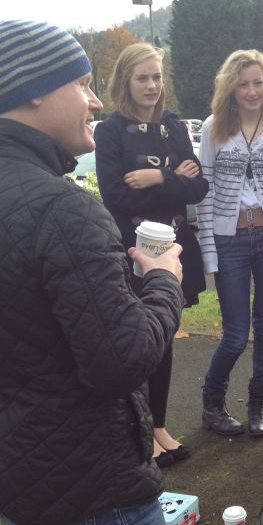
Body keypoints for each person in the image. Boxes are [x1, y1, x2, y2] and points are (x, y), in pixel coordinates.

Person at [0, 21, 184, 525]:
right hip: (92, 495)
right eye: (84, 83)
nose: (94, 100)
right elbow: (120, 362)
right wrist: (163, 281)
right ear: (34, 91)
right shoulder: (63, 210)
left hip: (14, 473)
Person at [95, 42, 208, 468]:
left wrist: (156, 177)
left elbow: (199, 188)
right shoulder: (109, 132)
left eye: (157, 77)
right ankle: (141, 431)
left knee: (164, 338)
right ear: (125, 81)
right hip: (131, 253)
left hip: (174, 251)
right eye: (142, 77)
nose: (152, 85)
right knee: (139, 340)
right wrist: (173, 178)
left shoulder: (175, 127)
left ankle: (158, 426)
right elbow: (117, 195)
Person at [196, 49, 263, 438]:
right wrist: (209, 250)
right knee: (236, 333)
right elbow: (204, 192)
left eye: (258, 82)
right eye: (243, 83)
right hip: (230, 240)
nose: (252, 91)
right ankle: (212, 400)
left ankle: (258, 403)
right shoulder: (213, 128)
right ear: (230, 88)